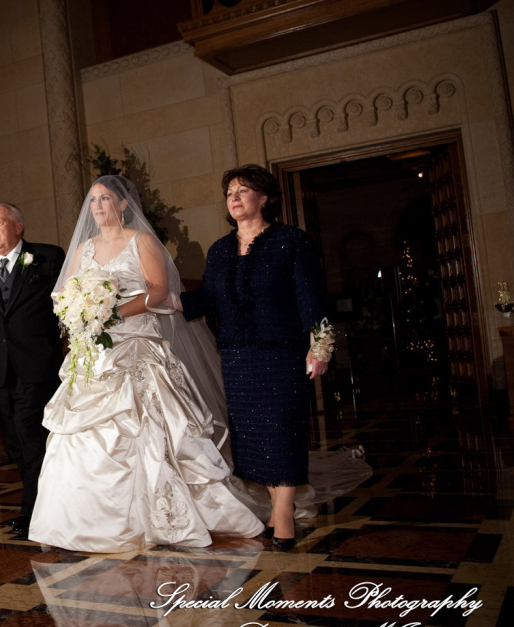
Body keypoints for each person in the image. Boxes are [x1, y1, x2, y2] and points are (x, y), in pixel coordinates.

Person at [28, 176, 264, 553]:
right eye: (93, 201)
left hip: (137, 343)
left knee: (151, 426)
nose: (99, 206)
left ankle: (162, 518)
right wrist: (79, 314)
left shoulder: (141, 241)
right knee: (76, 433)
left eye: (106, 199)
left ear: (123, 205)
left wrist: (113, 314)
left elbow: (157, 289)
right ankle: (79, 523)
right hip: (95, 351)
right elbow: (66, 292)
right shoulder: (84, 248)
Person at [178, 164, 331, 551]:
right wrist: (163, 301)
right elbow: (208, 299)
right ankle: (278, 502)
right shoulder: (220, 250)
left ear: (264, 198)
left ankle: (282, 514)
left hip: (281, 353)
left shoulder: (290, 241)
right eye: (230, 191)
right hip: (238, 358)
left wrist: (320, 345)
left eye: (243, 190)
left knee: (283, 431)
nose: (235, 197)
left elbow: (311, 297)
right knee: (254, 439)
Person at [0, 203, 65, 537]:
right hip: (1, 370)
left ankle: (32, 512)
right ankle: (39, 500)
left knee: (32, 435)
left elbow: (66, 308)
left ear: (18, 226)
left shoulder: (48, 257)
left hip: (39, 365)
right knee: (15, 441)